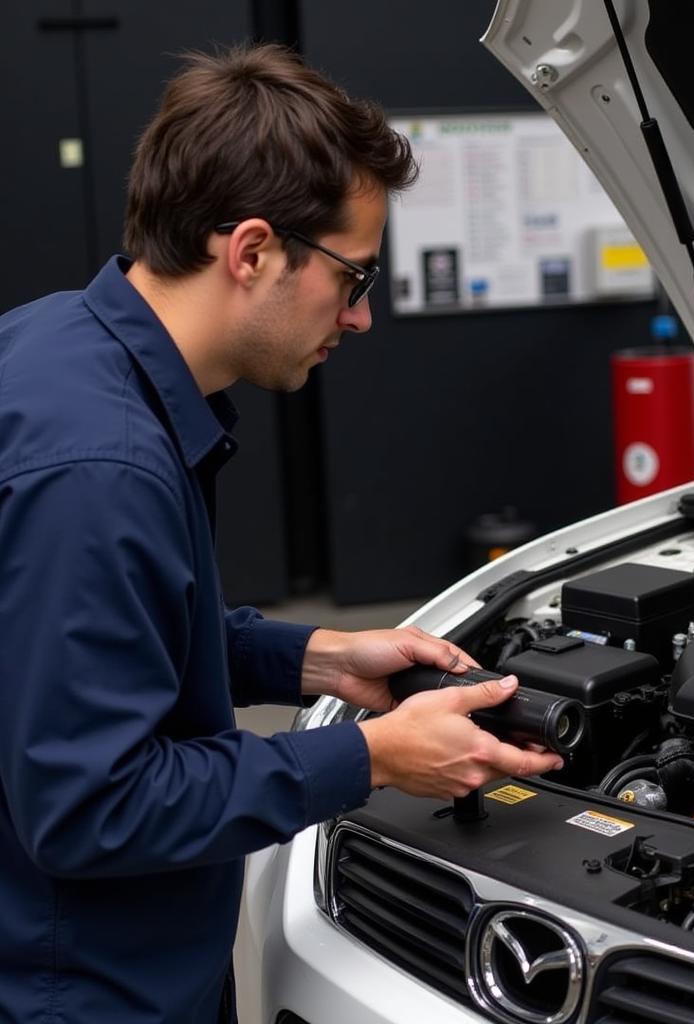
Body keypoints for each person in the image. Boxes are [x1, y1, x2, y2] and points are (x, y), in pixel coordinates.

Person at [0, 45, 562, 1024]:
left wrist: (313, 658)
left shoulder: (56, 349)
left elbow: (88, 649)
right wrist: (372, 758)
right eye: (351, 276)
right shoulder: (104, 470)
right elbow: (94, 804)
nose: (361, 316)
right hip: (81, 987)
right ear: (252, 250)